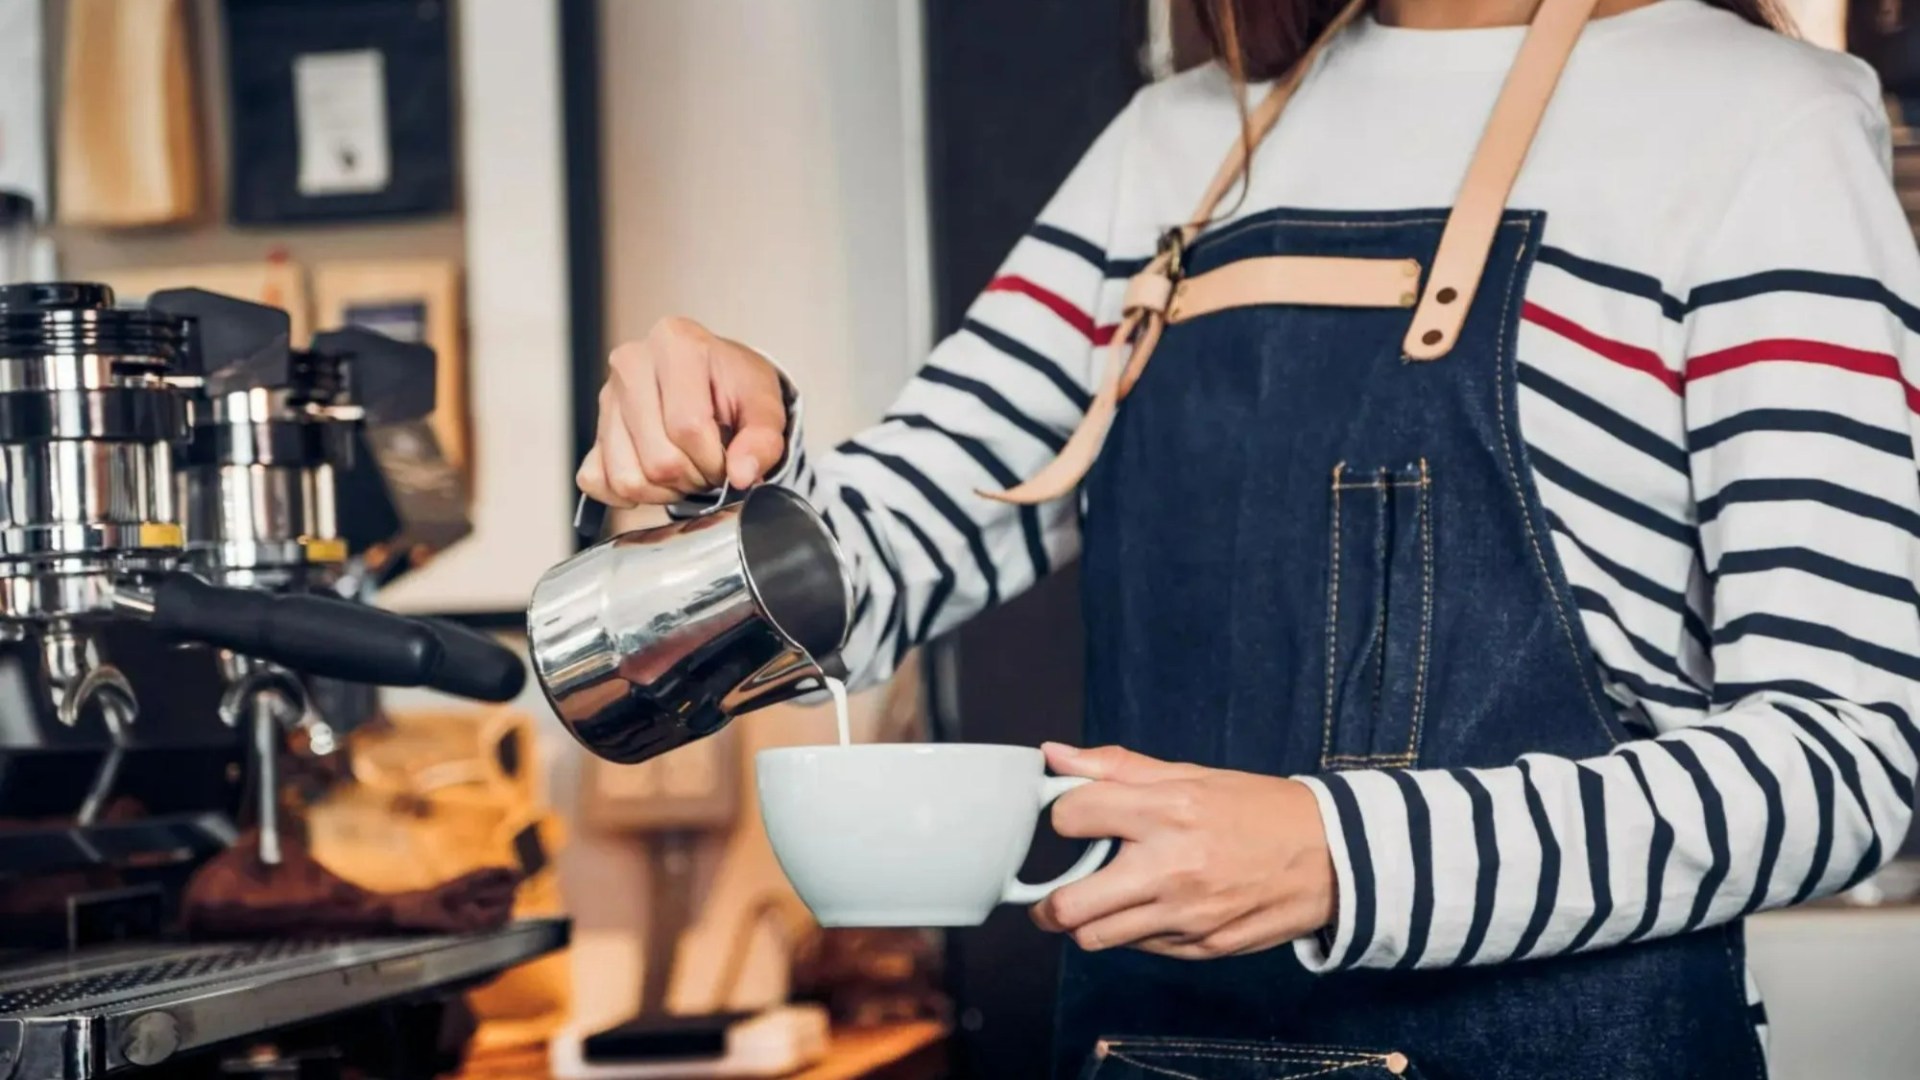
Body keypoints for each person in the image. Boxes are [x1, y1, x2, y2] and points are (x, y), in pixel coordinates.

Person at [577, 0, 1920, 1075]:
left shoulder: (1761, 125)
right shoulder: (1179, 147)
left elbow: (1848, 756)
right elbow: (869, 575)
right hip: (1147, 1050)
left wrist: (1342, 855)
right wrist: (720, 447)